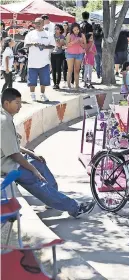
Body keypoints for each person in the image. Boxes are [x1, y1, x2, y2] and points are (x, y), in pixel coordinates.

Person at [1, 88, 96, 217]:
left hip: (13, 160)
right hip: (8, 167)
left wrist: (31, 153)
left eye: (20, 102)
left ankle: (52, 199)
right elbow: (14, 155)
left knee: (39, 162)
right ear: (7, 104)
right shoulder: (4, 121)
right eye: (17, 103)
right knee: (35, 178)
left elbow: (14, 146)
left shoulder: (6, 117)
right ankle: (75, 208)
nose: (20, 106)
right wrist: (34, 170)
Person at [24, 18, 56, 101]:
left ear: (43, 24)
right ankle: (32, 94)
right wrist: (33, 44)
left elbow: (53, 46)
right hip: (32, 62)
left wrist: (44, 46)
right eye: (36, 23)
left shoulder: (49, 34)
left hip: (44, 62)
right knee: (32, 81)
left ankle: (42, 94)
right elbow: (26, 44)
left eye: (39, 23)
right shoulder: (30, 34)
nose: (37, 25)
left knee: (44, 81)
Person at [65, 22, 86, 90]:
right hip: (70, 53)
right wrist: (74, 41)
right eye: (75, 30)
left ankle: (77, 85)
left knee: (77, 70)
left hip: (79, 53)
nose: (76, 31)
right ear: (72, 30)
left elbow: (85, 46)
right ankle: (68, 85)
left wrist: (80, 42)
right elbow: (67, 45)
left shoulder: (82, 35)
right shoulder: (69, 35)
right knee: (70, 69)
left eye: (77, 29)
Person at [50, 24, 65, 90]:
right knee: (53, 69)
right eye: (55, 28)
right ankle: (54, 83)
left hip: (59, 54)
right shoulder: (52, 36)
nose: (56, 30)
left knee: (58, 69)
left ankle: (57, 83)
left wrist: (55, 40)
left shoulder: (62, 36)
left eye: (57, 28)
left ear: (60, 30)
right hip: (52, 54)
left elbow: (59, 45)